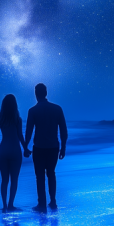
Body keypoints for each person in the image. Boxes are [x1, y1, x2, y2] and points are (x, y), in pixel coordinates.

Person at [24, 83, 68, 211]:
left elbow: (29, 131)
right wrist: (63, 147)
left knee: (40, 176)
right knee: (51, 174)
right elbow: (63, 130)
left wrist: (25, 147)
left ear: (36, 94)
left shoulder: (32, 111)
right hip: (53, 147)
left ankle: (42, 204)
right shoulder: (57, 109)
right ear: (46, 93)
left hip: (39, 147)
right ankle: (53, 201)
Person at [0, 94, 30, 212]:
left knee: (4, 180)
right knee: (14, 180)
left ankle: (4, 206)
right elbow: (20, 136)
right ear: (15, 105)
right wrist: (26, 149)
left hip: (3, 150)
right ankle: (11, 204)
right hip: (14, 150)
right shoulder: (17, 119)